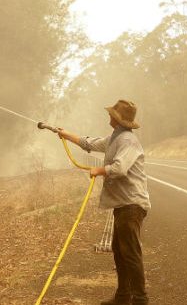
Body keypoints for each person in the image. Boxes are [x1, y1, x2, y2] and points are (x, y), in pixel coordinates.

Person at [57, 99, 151, 305]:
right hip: (123, 204)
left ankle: (140, 300)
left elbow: (119, 168)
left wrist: (99, 170)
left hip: (132, 205)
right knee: (120, 251)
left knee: (131, 253)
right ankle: (123, 297)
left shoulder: (128, 141)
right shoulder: (115, 137)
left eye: (112, 115)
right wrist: (66, 134)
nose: (109, 116)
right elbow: (89, 143)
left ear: (117, 119)